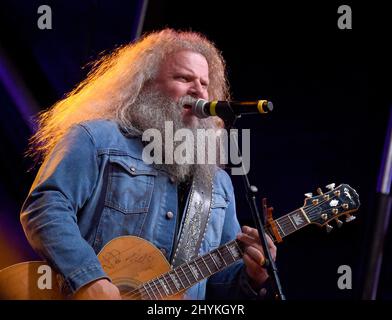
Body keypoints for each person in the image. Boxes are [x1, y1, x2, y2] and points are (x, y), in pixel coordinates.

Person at [21, 28, 277, 300]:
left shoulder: (218, 184)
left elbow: (216, 285)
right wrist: (88, 278)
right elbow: (45, 207)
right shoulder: (96, 139)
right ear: (144, 86)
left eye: (204, 83)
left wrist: (252, 274)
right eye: (184, 78)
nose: (199, 92)